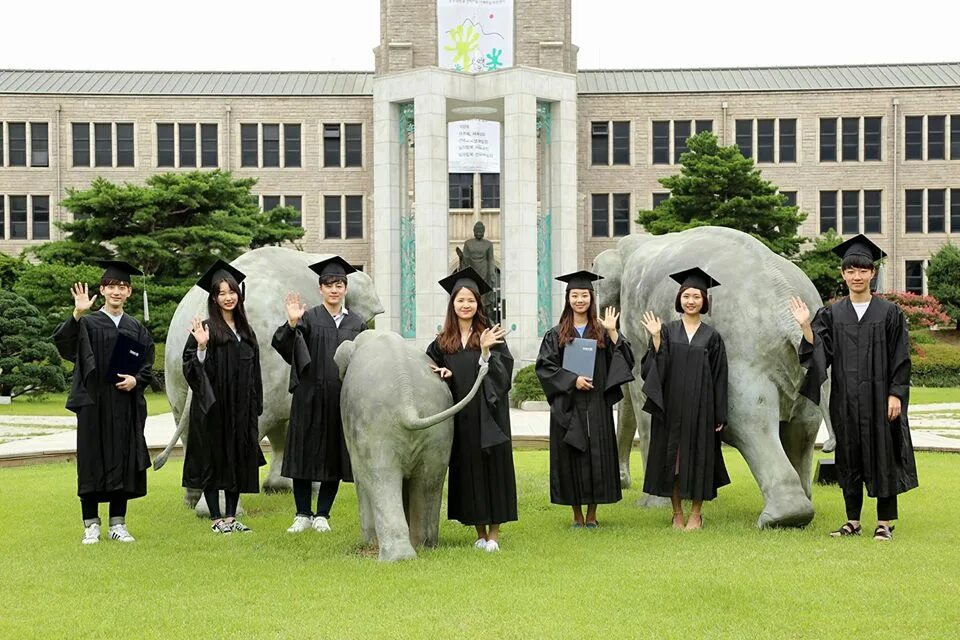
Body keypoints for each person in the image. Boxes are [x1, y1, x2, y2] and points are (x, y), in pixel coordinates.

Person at [788, 234, 917, 541]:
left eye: (863, 270)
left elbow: (901, 355)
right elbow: (820, 352)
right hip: (845, 398)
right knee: (849, 456)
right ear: (842, 273)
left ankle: (884, 522)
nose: (856, 276)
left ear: (873, 273)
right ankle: (853, 521)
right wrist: (806, 326)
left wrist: (896, 393)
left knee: (883, 454)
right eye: (851, 270)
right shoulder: (833, 314)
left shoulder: (890, 313)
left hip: (880, 398)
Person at [53, 260, 154, 545]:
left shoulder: (135, 327)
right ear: (103, 290)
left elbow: (146, 363)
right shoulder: (87, 322)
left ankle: (117, 523)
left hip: (124, 404)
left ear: (130, 292)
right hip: (93, 403)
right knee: (92, 460)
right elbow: (65, 347)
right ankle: (91, 525)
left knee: (122, 459)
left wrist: (136, 380)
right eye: (111, 287)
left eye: (122, 287)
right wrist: (76, 313)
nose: (117, 292)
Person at [272, 256, 367, 534]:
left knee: (333, 456)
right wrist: (291, 324)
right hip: (309, 395)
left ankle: (322, 514)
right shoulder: (308, 318)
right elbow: (283, 346)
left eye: (339, 284)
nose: (334, 289)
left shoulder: (357, 324)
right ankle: (302, 513)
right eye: (328, 284)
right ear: (320, 288)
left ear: (346, 288)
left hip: (340, 399)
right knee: (303, 454)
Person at [427, 267, 517, 552]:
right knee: (470, 470)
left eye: (471, 300)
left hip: (490, 415)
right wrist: (441, 371)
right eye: (460, 300)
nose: (465, 305)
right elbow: (427, 367)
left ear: (479, 304)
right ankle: (479, 532)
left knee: (493, 468)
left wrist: (486, 352)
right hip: (463, 417)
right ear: (452, 305)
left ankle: (494, 534)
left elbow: (503, 377)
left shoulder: (490, 335)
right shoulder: (443, 341)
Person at [535, 270, 635, 528]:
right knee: (571, 456)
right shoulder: (555, 334)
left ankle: (592, 515)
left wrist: (613, 332)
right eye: (575, 295)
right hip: (567, 406)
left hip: (596, 404)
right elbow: (545, 368)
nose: (580, 300)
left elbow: (625, 358)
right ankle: (577, 516)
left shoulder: (601, 332)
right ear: (568, 298)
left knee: (597, 456)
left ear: (591, 298)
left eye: (584, 295)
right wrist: (572, 380)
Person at [639, 267, 730, 531]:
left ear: (704, 301)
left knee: (699, 461)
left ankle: (696, 513)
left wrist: (719, 414)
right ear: (679, 298)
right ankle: (677, 512)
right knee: (674, 462)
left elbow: (720, 378)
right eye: (687, 295)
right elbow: (653, 368)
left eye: (697, 296)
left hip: (701, 410)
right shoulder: (666, 331)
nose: (691, 301)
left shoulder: (712, 337)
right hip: (671, 408)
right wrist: (656, 339)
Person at [181, 260, 265, 534]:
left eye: (232, 292)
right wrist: (202, 347)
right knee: (213, 458)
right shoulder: (205, 328)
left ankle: (231, 518)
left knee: (237, 459)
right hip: (213, 408)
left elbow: (255, 370)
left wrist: (255, 403)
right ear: (214, 298)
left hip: (241, 408)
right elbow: (190, 364)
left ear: (238, 295)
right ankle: (216, 519)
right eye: (221, 293)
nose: (228, 297)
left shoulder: (245, 331)